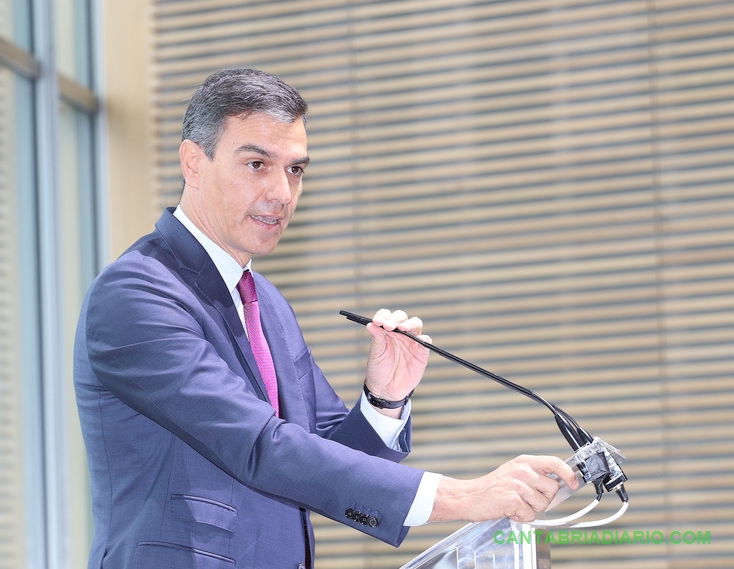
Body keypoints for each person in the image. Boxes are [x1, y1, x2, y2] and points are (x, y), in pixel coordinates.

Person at [74, 68, 577, 569]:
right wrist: (461, 497)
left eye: (295, 170)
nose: (282, 192)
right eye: (256, 164)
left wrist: (383, 400)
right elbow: (260, 447)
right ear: (193, 162)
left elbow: (322, 455)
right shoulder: (136, 295)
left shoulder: (265, 301)